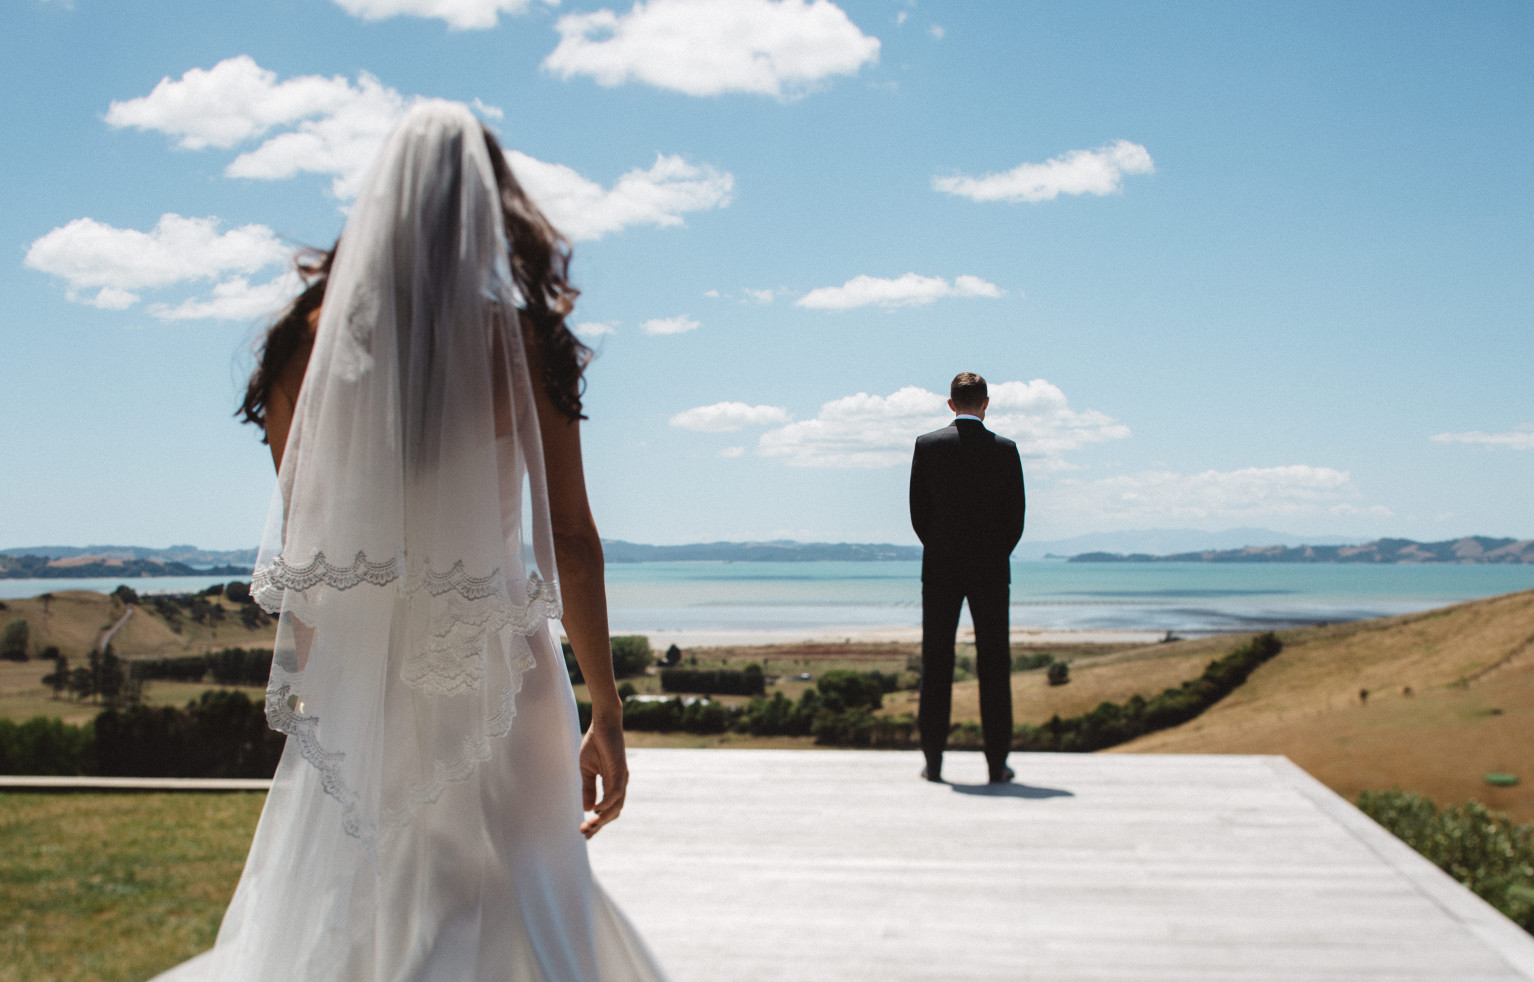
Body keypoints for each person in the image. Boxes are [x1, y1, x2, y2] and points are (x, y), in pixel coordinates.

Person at [152, 102, 668, 982]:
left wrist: (324, 684)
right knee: (527, 891)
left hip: (368, 675)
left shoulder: (299, 351)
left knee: (371, 904)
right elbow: (571, 541)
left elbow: (308, 545)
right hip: (506, 672)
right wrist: (607, 710)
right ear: (489, 206)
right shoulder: (526, 342)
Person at [908, 372, 1026, 784]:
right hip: (992, 570)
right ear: (986, 403)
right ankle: (997, 764)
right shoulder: (1006, 450)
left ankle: (934, 763)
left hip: (939, 568)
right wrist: (992, 555)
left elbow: (918, 515)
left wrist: (942, 550)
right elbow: (1016, 519)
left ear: (951, 403)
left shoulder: (928, 446)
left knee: (936, 663)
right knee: (994, 665)